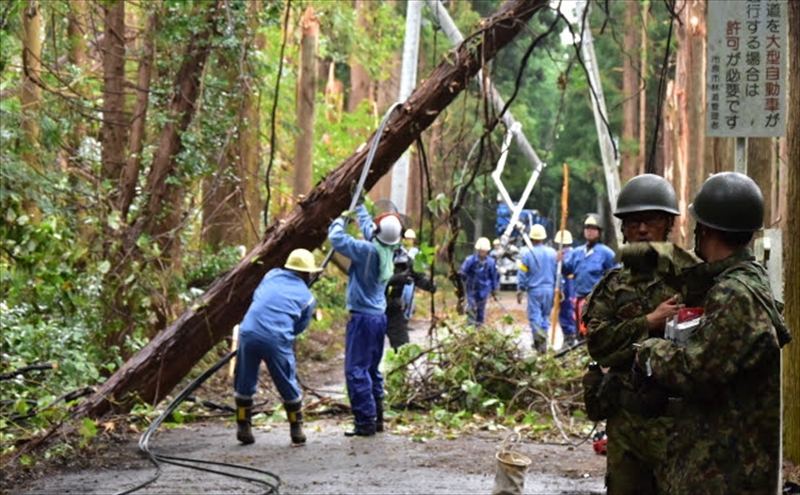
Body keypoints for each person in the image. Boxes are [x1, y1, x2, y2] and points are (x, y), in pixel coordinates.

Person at [634, 172, 791, 494]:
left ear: (705, 228)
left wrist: (649, 351)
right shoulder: (745, 282)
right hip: (729, 463)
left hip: (724, 471)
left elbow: (695, 371)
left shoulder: (733, 294)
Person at [582, 173, 700, 494]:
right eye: (634, 222)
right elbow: (598, 345)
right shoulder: (613, 285)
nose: (643, 229)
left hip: (679, 424)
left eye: (651, 221)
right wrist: (649, 321)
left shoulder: (693, 278)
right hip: (627, 426)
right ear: (624, 228)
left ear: (669, 225)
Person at [234, 248, 323, 446]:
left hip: (248, 331)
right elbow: (299, 326)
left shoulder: (271, 275)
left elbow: (259, 297)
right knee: (286, 381)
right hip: (277, 337)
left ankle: (243, 425)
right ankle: (296, 428)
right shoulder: (307, 297)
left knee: (244, 378)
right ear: (307, 273)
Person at [329, 204, 403, 437]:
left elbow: (336, 238)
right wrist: (359, 207)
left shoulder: (366, 251)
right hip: (378, 318)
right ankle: (377, 416)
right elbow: (372, 230)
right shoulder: (387, 249)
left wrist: (341, 218)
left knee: (356, 370)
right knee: (371, 368)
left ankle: (365, 422)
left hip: (362, 319)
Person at [561, 214, 616, 336]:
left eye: (593, 228)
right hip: (579, 299)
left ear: (599, 232)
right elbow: (567, 269)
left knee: (594, 332)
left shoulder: (606, 253)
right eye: (587, 228)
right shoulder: (577, 252)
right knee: (580, 330)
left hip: (596, 301)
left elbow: (615, 275)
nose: (589, 232)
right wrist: (560, 262)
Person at [385, 247, 436, 350]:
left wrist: (429, 284)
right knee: (370, 350)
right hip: (373, 308)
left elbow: (418, 276)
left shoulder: (404, 259)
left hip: (394, 308)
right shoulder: (375, 254)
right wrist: (393, 280)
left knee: (403, 349)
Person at [516, 224, 557, 353]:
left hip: (535, 290)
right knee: (545, 316)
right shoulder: (552, 253)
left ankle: (538, 343)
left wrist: (520, 289)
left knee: (535, 317)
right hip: (549, 290)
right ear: (544, 238)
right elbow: (558, 272)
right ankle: (543, 341)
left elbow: (522, 274)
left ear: (531, 239)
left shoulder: (528, 254)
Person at [460, 237, 499, 326]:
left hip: (484, 290)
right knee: (471, 309)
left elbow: (494, 277)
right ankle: (470, 329)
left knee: (481, 311)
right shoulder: (470, 260)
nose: (483, 252)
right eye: (481, 250)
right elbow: (462, 273)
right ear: (478, 250)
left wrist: (495, 291)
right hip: (472, 289)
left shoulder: (491, 262)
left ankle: (479, 330)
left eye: (484, 250)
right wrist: (463, 285)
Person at [553, 229, 578, 347]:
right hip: (572, 288)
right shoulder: (573, 253)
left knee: (567, 313)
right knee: (570, 313)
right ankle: (570, 339)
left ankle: (570, 340)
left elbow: (564, 273)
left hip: (568, 289)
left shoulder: (565, 255)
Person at [400, 229, 420, 320]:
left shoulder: (416, 252)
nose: (409, 241)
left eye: (411, 239)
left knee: (409, 297)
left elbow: (421, 264)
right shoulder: (399, 250)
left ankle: (407, 317)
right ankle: (399, 318)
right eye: (407, 239)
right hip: (399, 278)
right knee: (400, 298)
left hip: (410, 278)